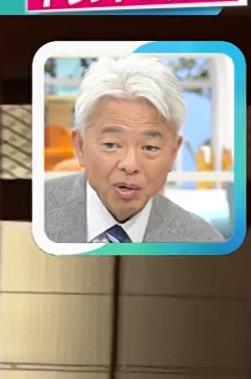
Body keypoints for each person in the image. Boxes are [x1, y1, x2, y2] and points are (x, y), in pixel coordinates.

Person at [42, 55, 225, 244]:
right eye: (111, 145)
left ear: (173, 153)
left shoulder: (204, 242)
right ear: (81, 146)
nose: (130, 165)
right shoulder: (32, 211)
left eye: (150, 147)